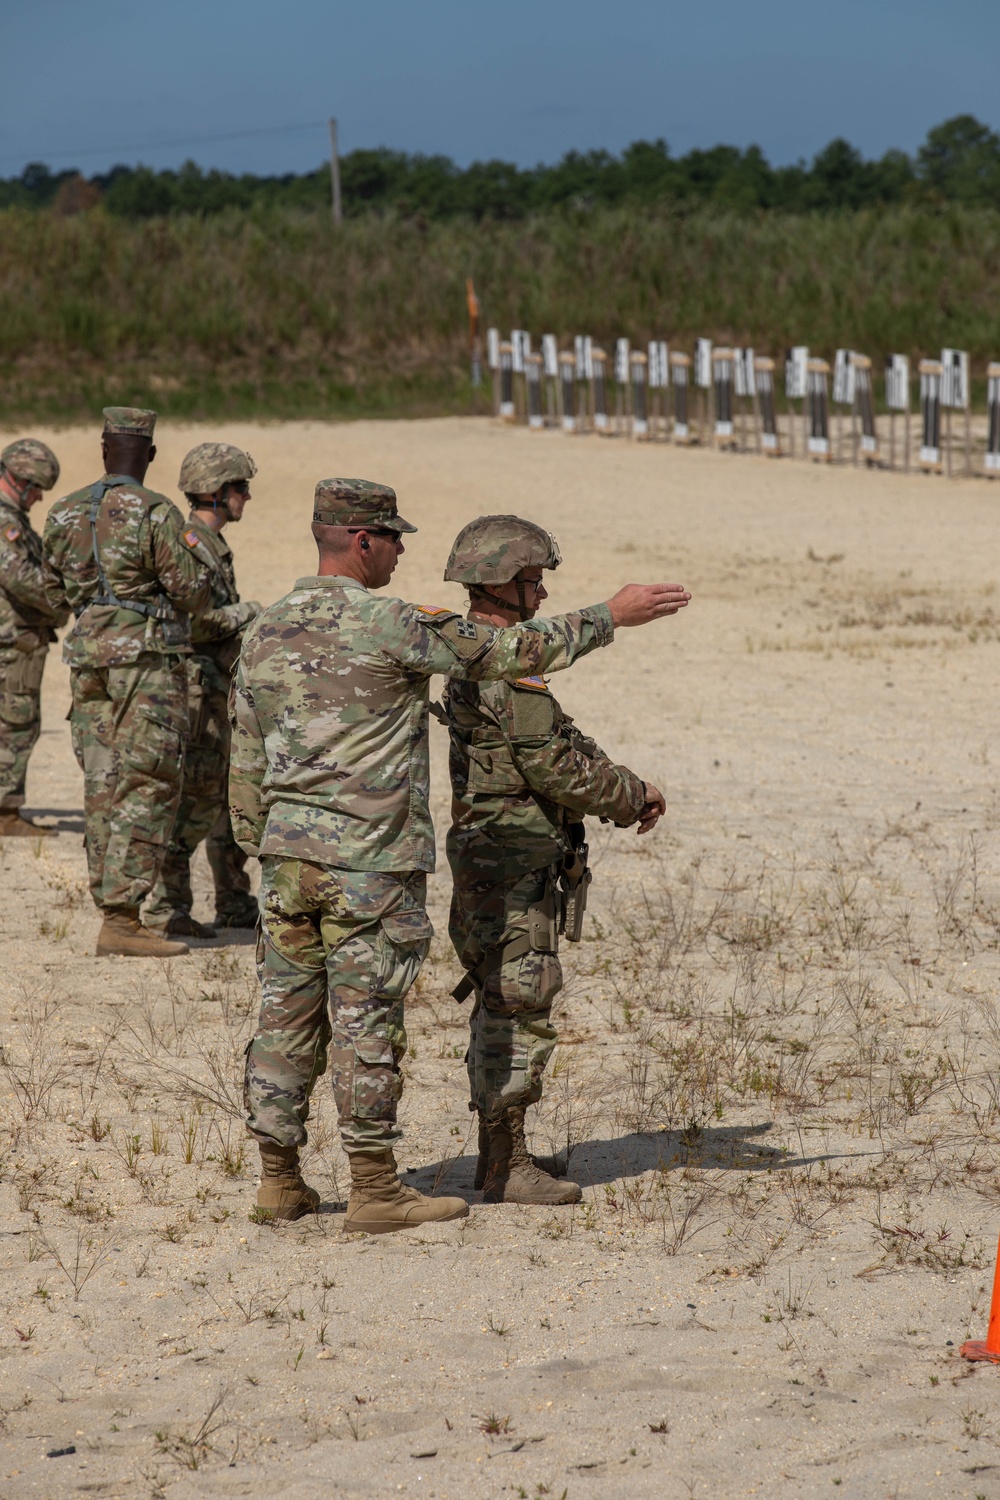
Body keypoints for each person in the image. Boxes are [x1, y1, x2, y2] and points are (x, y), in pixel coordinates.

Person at [230, 478, 689, 1233]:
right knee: (366, 1023)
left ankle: (279, 1181)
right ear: (361, 541)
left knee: (285, 1019)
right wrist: (612, 615)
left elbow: (244, 756)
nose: (404, 550)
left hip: (286, 861)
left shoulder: (266, 628)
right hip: (367, 864)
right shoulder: (390, 622)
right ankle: (376, 1192)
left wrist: (262, 846)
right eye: (394, 537)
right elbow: (510, 652)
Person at [442, 515, 668, 1205]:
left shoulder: (490, 656)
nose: (541, 598)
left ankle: (497, 1159)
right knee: (519, 1005)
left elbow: (561, 740)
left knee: (504, 1000)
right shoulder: (507, 669)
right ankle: (506, 1169)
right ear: (503, 584)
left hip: (493, 854)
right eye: (534, 583)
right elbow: (556, 768)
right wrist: (633, 795)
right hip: (511, 864)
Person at [42, 407, 213, 959]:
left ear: (102, 449)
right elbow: (191, 593)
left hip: (86, 660)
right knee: (148, 781)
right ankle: (122, 918)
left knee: (101, 781)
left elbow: (52, 596)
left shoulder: (63, 512)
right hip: (144, 661)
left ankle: (110, 909)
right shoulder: (156, 512)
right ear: (151, 455)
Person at [143, 443, 262, 939]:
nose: (247, 498)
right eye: (240, 488)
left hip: (216, 689)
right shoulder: (192, 545)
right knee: (195, 799)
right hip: (197, 693)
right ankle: (166, 908)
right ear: (216, 492)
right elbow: (190, 622)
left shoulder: (209, 545)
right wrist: (248, 613)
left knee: (225, 800)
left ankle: (234, 900)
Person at [0, 439, 68, 836]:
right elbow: (20, 579)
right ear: (20, 480)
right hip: (13, 642)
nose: (40, 497)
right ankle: (5, 812)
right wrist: (60, 603)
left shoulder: (14, 520)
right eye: (37, 488)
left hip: (17, 638)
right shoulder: (5, 523)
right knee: (17, 722)